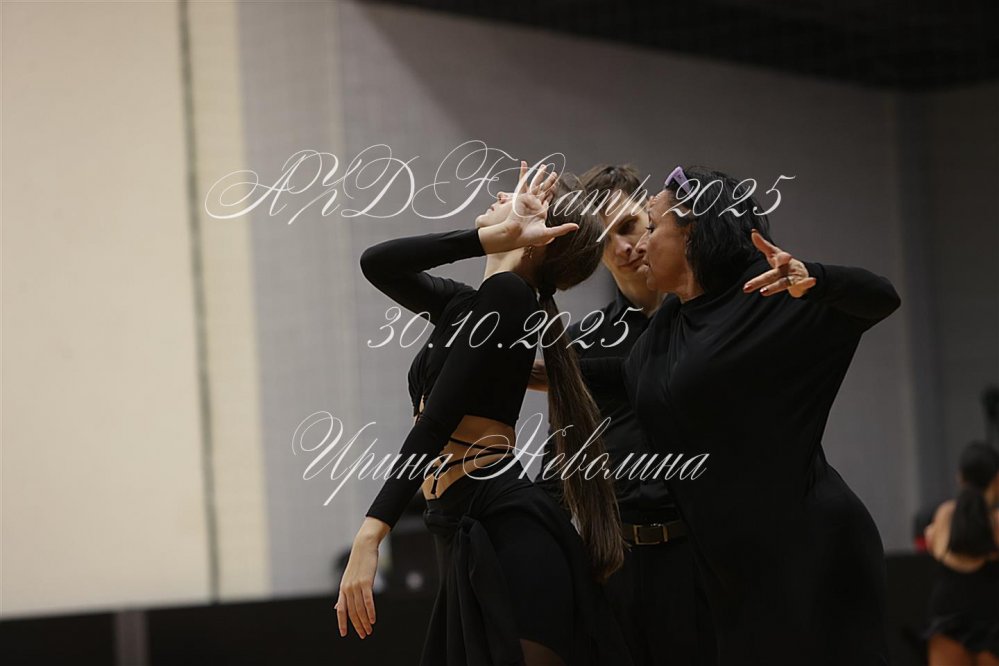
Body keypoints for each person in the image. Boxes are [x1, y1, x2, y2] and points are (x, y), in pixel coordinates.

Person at [562, 165, 901, 665]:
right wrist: (543, 368)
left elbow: (880, 297)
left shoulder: (762, 295)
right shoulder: (671, 323)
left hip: (810, 550)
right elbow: (623, 377)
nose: (639, 245)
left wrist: (818, 278)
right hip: (733, 569)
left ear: (692, 234)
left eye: (651, 227)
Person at [336, 162, 631, 666]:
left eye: (516, 199)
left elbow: (437, 421)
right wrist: (485, 238)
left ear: (539, 240)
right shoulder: (466, 304)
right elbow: (377, 263)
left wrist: (372, 532)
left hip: (505, 529)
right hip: (457, 526)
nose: (500, 196)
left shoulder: (509, 297)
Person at [532, 164, 715, 665]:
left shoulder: (704, 322)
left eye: (630, 226)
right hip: (619, 563)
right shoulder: (583, 341)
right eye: (605, 237)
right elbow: (561, 457)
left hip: (698, 556)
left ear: (653, 222)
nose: (623, 246)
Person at [924, 442, 999, 666]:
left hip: (947, 614)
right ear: (996, 480)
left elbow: (933, 544)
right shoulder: (996, 523)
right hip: (991, 616)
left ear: (960, 477)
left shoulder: (944, 515)